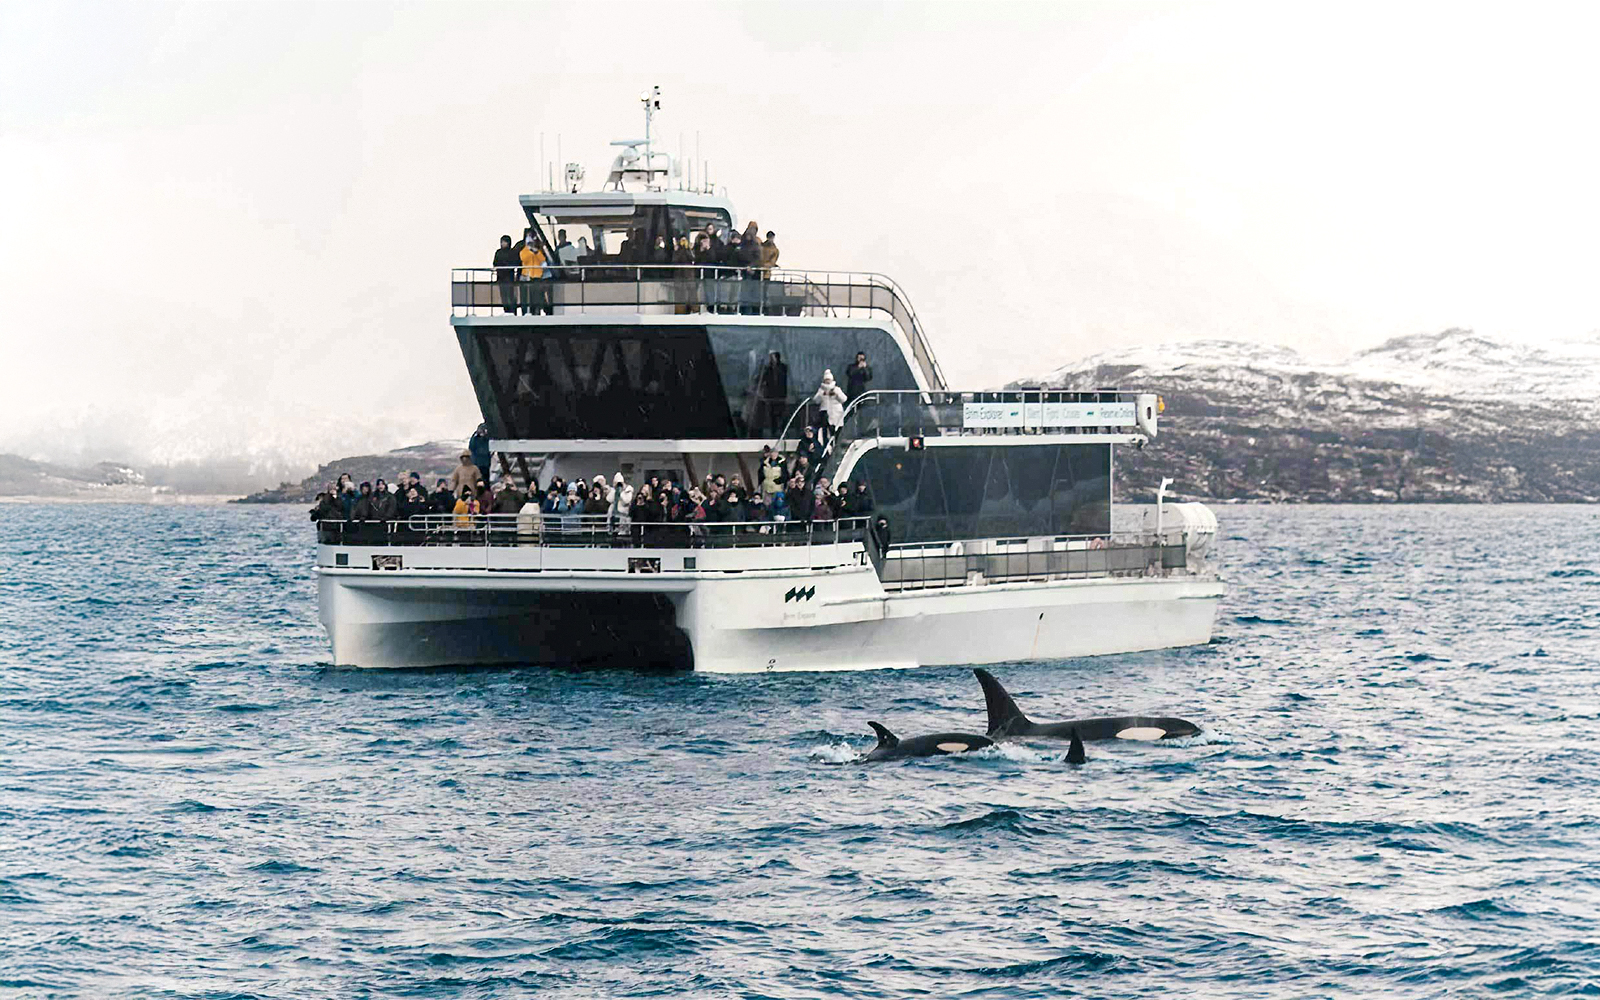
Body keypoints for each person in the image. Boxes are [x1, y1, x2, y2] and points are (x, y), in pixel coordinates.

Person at [812, 369, 847, 449]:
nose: (827, 381)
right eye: (826, 380)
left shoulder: (837, 389)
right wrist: (823, 394)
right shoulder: (821, 390)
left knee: (836, 431)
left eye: (829, 380)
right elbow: (816, 400)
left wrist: (836, 394)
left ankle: (836, 445)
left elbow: (844, 399)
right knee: (825, 431)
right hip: (825, 413)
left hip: (836, 414)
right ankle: (826, 446)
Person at [519, 230, 551, 315]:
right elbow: (524, 259)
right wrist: (530, 251)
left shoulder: (538, 251)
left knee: (537, 296)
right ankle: (528, 311)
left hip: (537, 276)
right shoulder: (524, 251)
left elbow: (542, 260)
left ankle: (537, 311)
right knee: (528, 296)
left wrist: (535, 252)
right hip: (528, 276)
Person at [492, 235, 520, 314]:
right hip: (501, 277)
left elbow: (516, 263)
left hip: (509, 277)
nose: (503, 244)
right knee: (503, 296)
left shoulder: (513, 252)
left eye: (504, 242)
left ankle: (512, 311)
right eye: (502, 242)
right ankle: (506, 310)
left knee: (510, 295)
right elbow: (495, 263)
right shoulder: (498, 252)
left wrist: (506, 266)